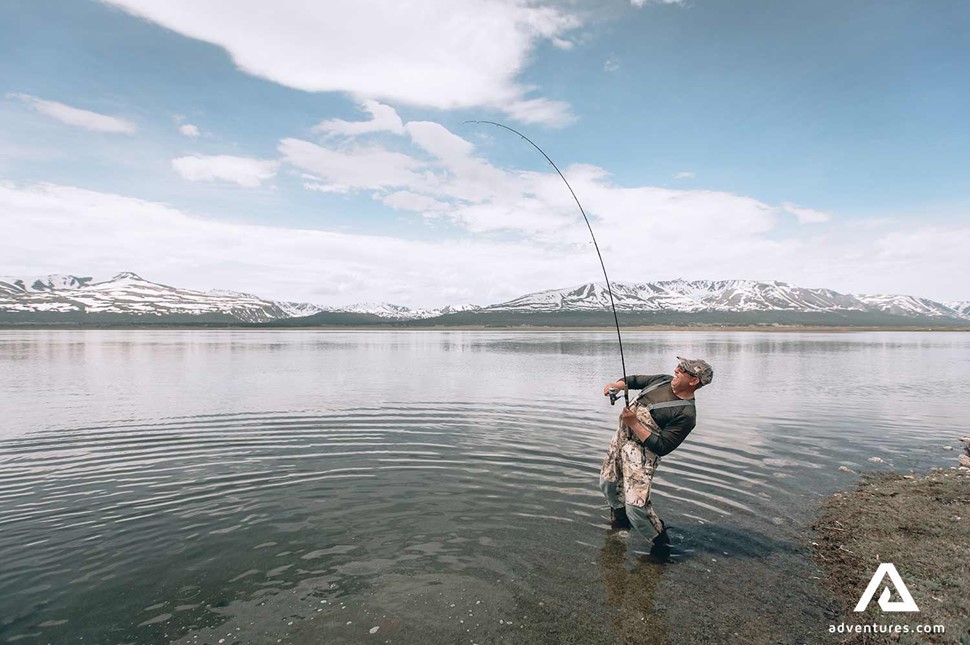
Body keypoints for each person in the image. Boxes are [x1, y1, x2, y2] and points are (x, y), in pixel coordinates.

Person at [598, 356, 713, 548]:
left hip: (642, 454)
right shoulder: (662, 380)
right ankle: (620, 523)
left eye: (682, 369)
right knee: (608, 483)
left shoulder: (686, 415)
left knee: (636, 507)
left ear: (694, 381)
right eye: (678, 366)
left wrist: (634, 423)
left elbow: (662, 447)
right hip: (620, 439)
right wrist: (616, 385)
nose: (676, 370)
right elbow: (633, 380)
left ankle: (660, 545)